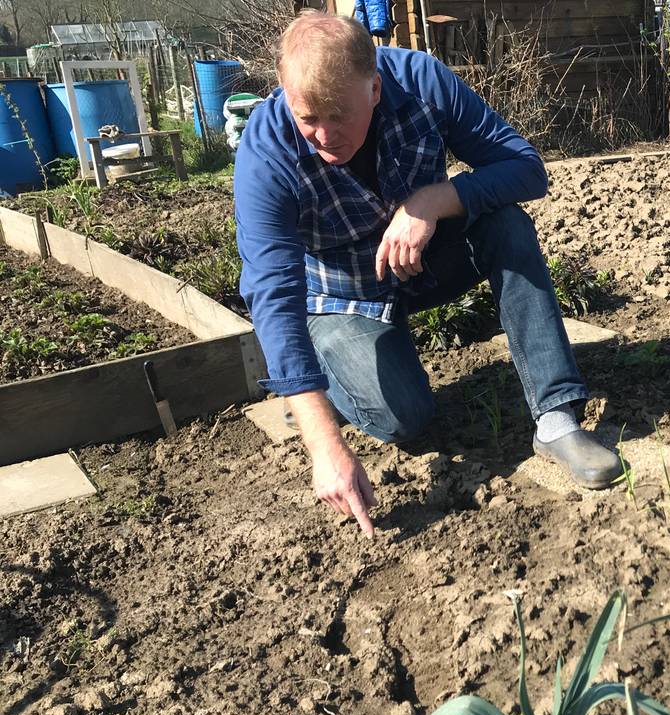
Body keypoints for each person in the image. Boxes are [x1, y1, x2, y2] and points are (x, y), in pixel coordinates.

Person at [234, 10, 622, 538]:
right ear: (283, 92)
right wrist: (322, 441)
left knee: (506, 225)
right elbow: (273, 290)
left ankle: (557, 419)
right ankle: (326, 384)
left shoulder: (421, 82)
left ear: (374, 89)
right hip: (342, 296)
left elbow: (526, 169)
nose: (323, 136)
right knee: (405, 419)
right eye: (309, 118)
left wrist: (435, 200)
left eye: (339, 116)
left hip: (424, 260)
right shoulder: (267, 150)